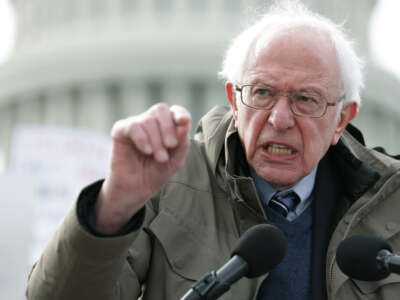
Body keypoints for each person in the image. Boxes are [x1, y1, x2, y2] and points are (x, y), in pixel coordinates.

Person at [26, 2, 400, 300]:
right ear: (234, 104)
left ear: (341, 119)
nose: (280, 119)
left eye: (306, 99)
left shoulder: (391, 203)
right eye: (262, 93)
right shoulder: (168, 183)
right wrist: (113, 208)